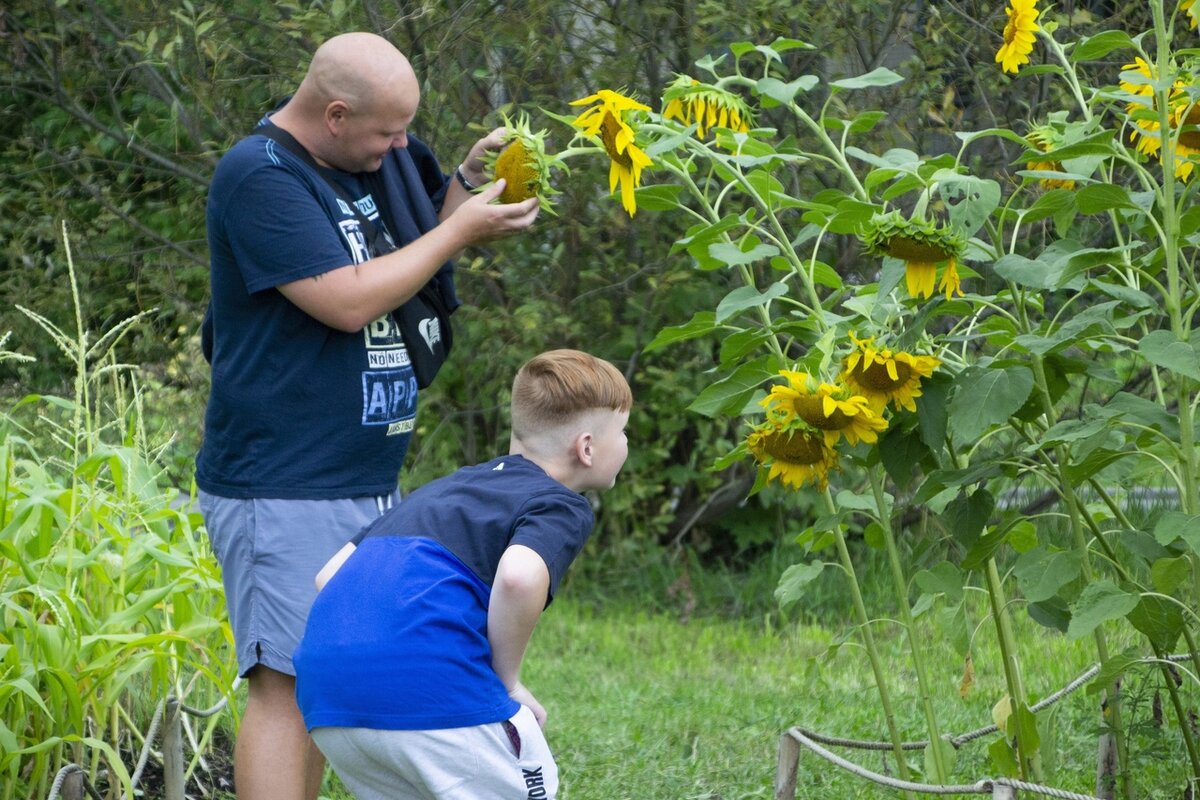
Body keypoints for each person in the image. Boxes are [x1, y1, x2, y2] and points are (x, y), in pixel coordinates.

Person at [195, 31, 540, 800]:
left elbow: (405, 260)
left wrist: (462, 189)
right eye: (387, 132)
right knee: (283, 683)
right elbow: (346, 299)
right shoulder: (261, 175)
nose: (399, 146)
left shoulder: (362, 165)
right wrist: (463, 228)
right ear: (336, 113)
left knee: (318, 678)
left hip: (359, 473)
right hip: (281, 479)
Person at [292, 349, 633, 800]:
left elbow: (328, 575)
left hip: (328, 702)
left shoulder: (444, 490)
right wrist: (506, 681)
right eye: (623, 432)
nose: (627, 444)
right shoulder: (559, 502)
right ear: (586, 448)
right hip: (429, 696)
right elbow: (519, 576)